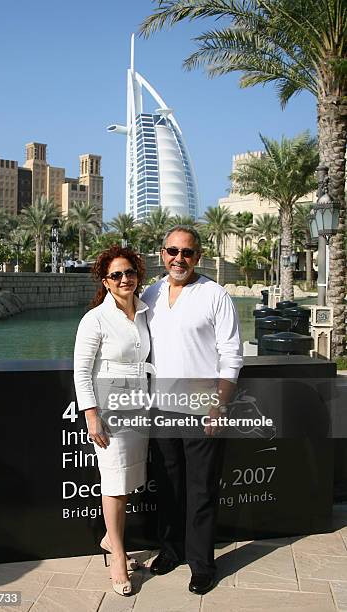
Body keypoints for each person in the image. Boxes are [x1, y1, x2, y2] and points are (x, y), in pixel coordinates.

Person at [142, 225, 243, 595]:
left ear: (197, 256)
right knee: (168, 487)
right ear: (162, 253)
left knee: (201, 489)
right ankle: (171, 551)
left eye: (186, 252)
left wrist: (220, 403)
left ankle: (202, 565)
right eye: (172, 251)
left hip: (204, 408)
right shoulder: (150, 294)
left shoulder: (215, 295)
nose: (178, 259)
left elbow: (232, 353)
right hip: (161, 407)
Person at [74, 246, 152, 597]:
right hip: (109, 409)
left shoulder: (145, 312)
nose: (125, 279)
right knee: (115, 482)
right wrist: (91, 414)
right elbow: (81, 371)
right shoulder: (95, 319)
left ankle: (110, 538)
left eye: (130, 272)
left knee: (130, 478)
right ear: (105, 282)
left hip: (141, 406)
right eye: (117, 275)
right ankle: (118, 556)